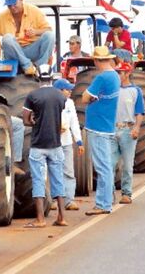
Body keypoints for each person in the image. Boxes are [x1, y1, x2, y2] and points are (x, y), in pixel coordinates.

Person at [22, 64, 68, 227]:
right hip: (56, 144)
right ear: (51, 77)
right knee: (58, 180)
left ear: (38, 77)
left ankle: (40, 219)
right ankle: (61, 217)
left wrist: (34, 121)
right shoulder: (60, 96)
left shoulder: (32, 95)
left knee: (38, 181)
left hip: (38, 145)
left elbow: (26, 119)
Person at [82, 46, 121, 216]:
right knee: (106, 165)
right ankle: (108, 199)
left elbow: (84, 97)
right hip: (106, 126)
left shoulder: (102, 77)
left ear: (96, 60)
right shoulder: (114, 76)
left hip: (98, 127)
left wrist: (90, 97)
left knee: (102, 166)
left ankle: (103, 204)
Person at [0, 0, 54, 76]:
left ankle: (39, 67)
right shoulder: (2, 17)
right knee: (7, 38)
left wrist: (36, 32)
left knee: (50, 36)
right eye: (9, 5)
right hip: (14, 52)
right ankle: (28, 67)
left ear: (21, 0)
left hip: (32, 50)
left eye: (14, 4)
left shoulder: (35, 11)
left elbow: (48, 29)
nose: (12, 7)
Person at [110, 62, 145, 204]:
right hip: (112, 129)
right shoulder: (112, 91)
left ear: (127, 73)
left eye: (120, 72)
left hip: (128, 129)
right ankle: (109, 193)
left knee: (127, 164)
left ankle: (126, 193)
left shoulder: (135, 91)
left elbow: (139, 112)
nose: (117, 75)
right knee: (109, 163)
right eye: (116, 72)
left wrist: (137, 127)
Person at [53, 78, 83, 211]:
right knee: (53, 171)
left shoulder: (70, 103)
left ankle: (69, 200)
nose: (70, 91)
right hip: (53, 143)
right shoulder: (50, 102)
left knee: (69, 172)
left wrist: (79, 141)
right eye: (67, 89)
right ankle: (54, 200)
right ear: (59, 91)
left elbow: (74, 123)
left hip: (66, 143)